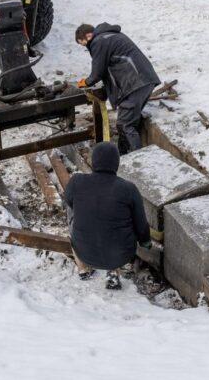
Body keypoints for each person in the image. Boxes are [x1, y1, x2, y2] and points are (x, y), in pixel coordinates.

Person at [63, 141, 151, 290]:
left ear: (94, 161)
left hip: (84, 253)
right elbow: (141, 223)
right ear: (116, 163)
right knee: (120, 217)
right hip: (121, 255)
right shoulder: (128, 188)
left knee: (72, 208)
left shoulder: (77, 181)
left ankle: (83, 268)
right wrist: (145, 241)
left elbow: (69, 202)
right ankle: (113, 272)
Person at [76, 22, 160, 154]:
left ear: (88, 36)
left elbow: (98, 72)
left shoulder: (99, 41)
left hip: (136, 83)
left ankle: (139, 158)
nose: (86, 47)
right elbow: (111, 68)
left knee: (125, 124)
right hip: (141, 80)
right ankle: (123, 153)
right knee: (126, 122)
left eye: (83, 43)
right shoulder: (110, 36)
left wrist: (86, 82)